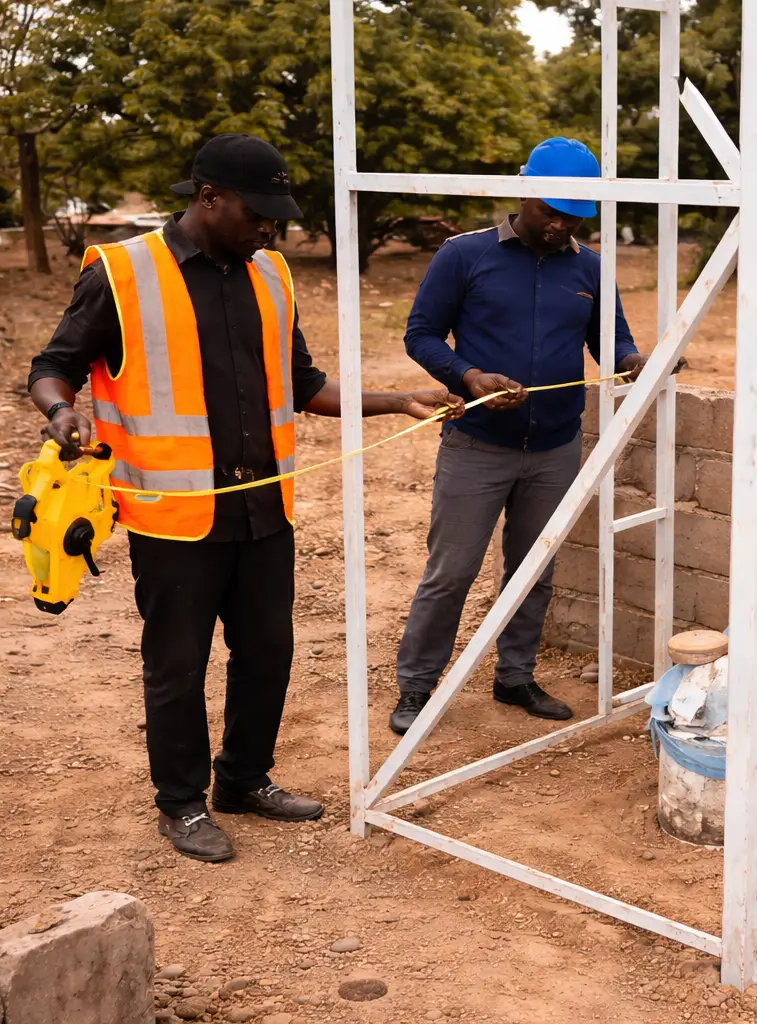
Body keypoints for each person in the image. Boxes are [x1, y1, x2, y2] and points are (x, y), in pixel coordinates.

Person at [27, 134, 460, 861]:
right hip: (174, 520)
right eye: (259, 214)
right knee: (178, 664)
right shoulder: (125, 272)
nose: (270, 230)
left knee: (267, 652)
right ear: (209, 198)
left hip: (263, 511)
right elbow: (54, 364)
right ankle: (182, 804)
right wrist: (60, 411)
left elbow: (301, 385)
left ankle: (244, 779)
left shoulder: (270, 274)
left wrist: (398, 399)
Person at [391, 137, 645, 735]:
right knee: (451, 571)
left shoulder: (589, 267)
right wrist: (469, 376)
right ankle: (418, 686)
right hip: (477, 443)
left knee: (534, 568)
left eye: (573, 215)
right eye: (548, 211)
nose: (559, 225)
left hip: (556, 448)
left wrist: (635, 359)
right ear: (523, 190)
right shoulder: (463, 255)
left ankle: (515, 676)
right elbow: (421, 335)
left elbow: (612, 340)